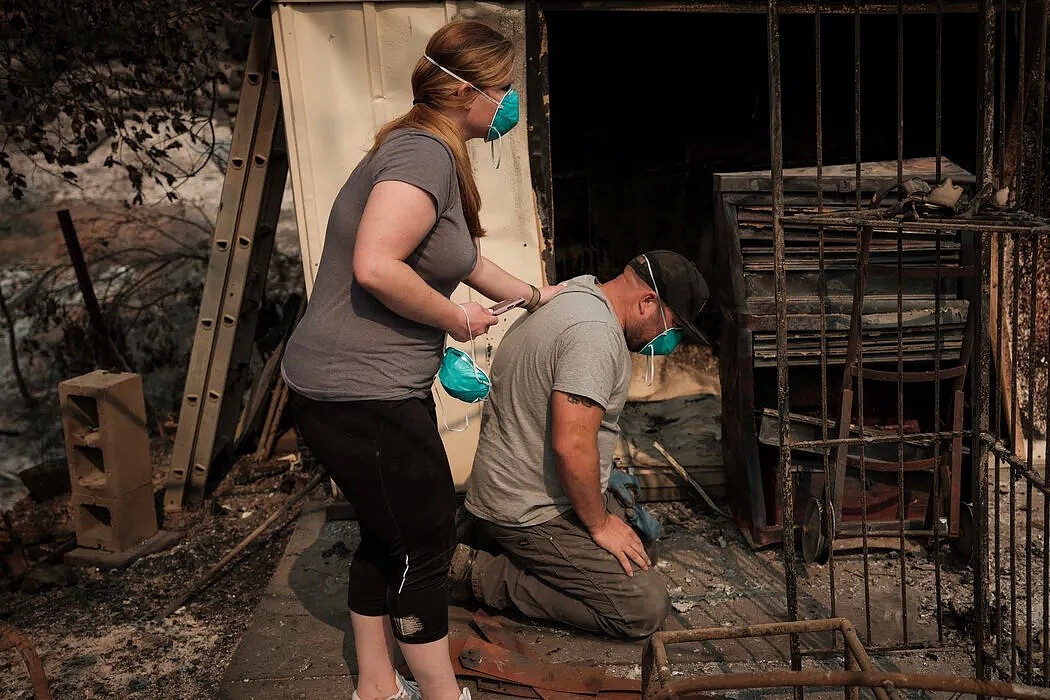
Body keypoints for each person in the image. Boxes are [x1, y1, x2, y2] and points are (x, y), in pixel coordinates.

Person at [281, 20, 563, 700]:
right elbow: (376, 266)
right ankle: (441, 696)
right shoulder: (422, 157)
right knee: (429, 536)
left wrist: (535, 295)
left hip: (356, 389)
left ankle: (377, 689)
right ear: (467, 91)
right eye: (502, 90)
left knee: (391, 532)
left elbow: (458, 260)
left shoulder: (425, 148)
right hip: (355, 394)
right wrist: (454, 317)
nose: (508, 103)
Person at [453, 250, 710, 640]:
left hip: (520, 490)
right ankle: (477, 572)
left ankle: (499, 545)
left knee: (641, 547)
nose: (670, 340)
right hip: (529, 509)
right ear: (647, 302)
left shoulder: (577, 292)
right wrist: (600, 524)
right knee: (643, 607)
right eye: (671, 326)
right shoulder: (594, 336)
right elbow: (572, 447)